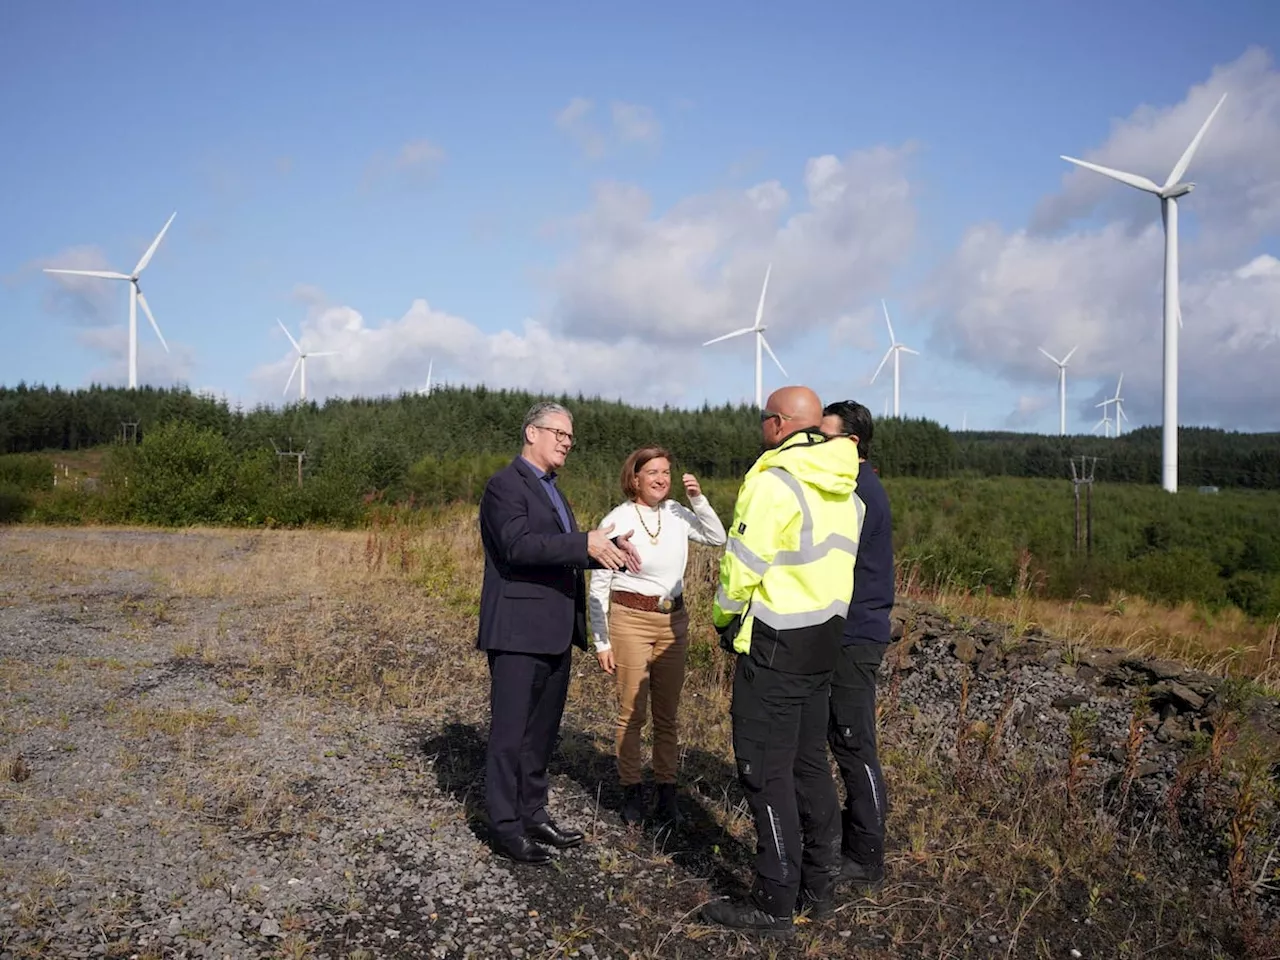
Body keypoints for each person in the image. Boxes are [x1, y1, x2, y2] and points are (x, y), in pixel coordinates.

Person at [701, 386, 863, 936]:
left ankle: (773, 905)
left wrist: (724, 620)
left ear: (777, 425)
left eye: (763, 421)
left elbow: (741, 565)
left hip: (773, 646)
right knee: (809, 765)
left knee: (763, 773)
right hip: (824, 645)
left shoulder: (774, 481)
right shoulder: (849, 488)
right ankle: (819, 889)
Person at [477, 401, 642, 865]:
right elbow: (517, 546)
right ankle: (505, 827)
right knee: (510, 734)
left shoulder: (553, 490)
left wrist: (602, 548)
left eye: (571, 436)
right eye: (559, 433)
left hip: (554, 631)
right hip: (517, 632)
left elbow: (559, 550)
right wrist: (581, 541)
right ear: (532, 433)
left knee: (541, 734)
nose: (567, 442)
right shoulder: (504, 486)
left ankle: (533, 812)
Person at [588, 447, 727, 826]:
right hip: (630, 620)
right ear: (635, 478)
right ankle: (630, 790)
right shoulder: (617, 519)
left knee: (667, 715)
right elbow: (599, 583)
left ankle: (666, 792)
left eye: (666, 471)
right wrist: (602, 641)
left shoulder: (677, 513)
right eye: (652, 472)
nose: (661, 478)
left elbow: (716, 536)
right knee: (632, 713)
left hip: (673, 622)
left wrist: (697, 498)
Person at [820, 400, 894, 894]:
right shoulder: (854, 487)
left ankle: (867, 854)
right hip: (847, 632)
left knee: (854, 742)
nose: (815, 446)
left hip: (854, 635)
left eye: (823, 436)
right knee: (843, 738)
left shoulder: (859, 493)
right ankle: (855, 838)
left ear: (850, 443)